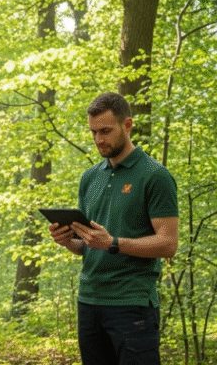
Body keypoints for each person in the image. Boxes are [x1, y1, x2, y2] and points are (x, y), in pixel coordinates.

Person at [49, 92, 178, 365]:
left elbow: (168, 244)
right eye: (93, 132)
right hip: (89, 301)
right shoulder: (90, 177)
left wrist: (113, 243)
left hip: (132, 304)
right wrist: (68, 241)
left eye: (105, 131)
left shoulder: (155, 176)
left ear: (127, 125)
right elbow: (87, 246)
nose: (98, 139)